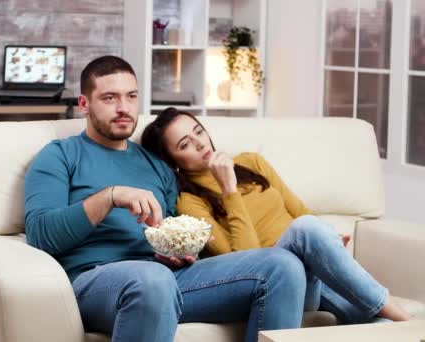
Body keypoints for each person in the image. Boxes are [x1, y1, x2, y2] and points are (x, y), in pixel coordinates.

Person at [24, 56, 308, 342]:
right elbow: (40, 235)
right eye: (109, 98)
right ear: (84, 104)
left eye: (131, 97)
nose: (123, 108)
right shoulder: (60, 155)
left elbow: (175, 231)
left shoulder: (158, 166)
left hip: (168, 279)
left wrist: (181, 253)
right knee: (151, 279)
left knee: (282, 266)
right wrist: (111, 196)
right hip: (95, 281)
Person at [140, 107, 412, 325]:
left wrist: (328, 239)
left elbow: (300, 211)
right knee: (305, 229)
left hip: (314, 269)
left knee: (378, 327)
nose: (200, 143)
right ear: (173, 162)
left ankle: (395, 324)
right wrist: (228, 189)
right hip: (282, 284)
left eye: (199, 131)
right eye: (186, 144)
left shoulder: (252, 162)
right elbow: (249, 261)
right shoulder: (191, 202)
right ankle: (405, 319)